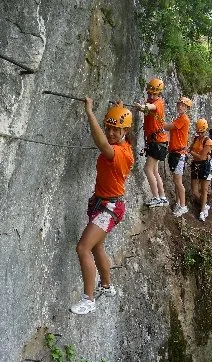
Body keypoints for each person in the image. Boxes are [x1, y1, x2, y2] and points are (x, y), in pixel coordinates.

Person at [70, 98, 134, 315]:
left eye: (116, 130)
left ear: (125, 131)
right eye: (108, 127)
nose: (110, 132)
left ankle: (88, 299)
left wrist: (90, 112)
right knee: (96, 247)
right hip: (103, 205)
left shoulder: (120, 153)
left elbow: (102, 144)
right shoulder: (122, 146)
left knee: (83, 248)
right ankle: (107, 286)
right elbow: (109, 139)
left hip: (109, 208)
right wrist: (120, 108)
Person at [134, 78, 169, 208]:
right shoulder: (152, 101)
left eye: (155, 94)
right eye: (150, 93)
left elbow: (151, 107)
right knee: (154, 170)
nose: (152, 96)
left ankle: (156, 197)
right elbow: (148, 108)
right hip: (159, 142)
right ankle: (162, 196)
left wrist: (143, 107)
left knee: (147, 168)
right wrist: (143, 108)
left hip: (157, 142)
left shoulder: (158, 103)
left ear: (159, 94)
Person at [164, 97, 192, 216]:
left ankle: (183, 206)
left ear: (187, 108)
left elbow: (167, 127)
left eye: (183, 105)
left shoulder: (183, 119)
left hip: (179, 154)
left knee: (178, 181)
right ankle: (178, 202)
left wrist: (157, 118)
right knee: (176, 181)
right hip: (176, 153)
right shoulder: (180, 118)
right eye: (179, 104)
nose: (180, 106)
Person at [189, 119, 212, 222]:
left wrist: (190, 152)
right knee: (195, 191)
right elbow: (191, 149)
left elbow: (202, 157)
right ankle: (205, 204)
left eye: (201, 132)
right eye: (198, 132)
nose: (200, 134)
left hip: (205, 165)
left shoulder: (208, 141)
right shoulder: (196, 139)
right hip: (195, 164)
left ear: (205, 130)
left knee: (204, 189)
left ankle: (202, 211)